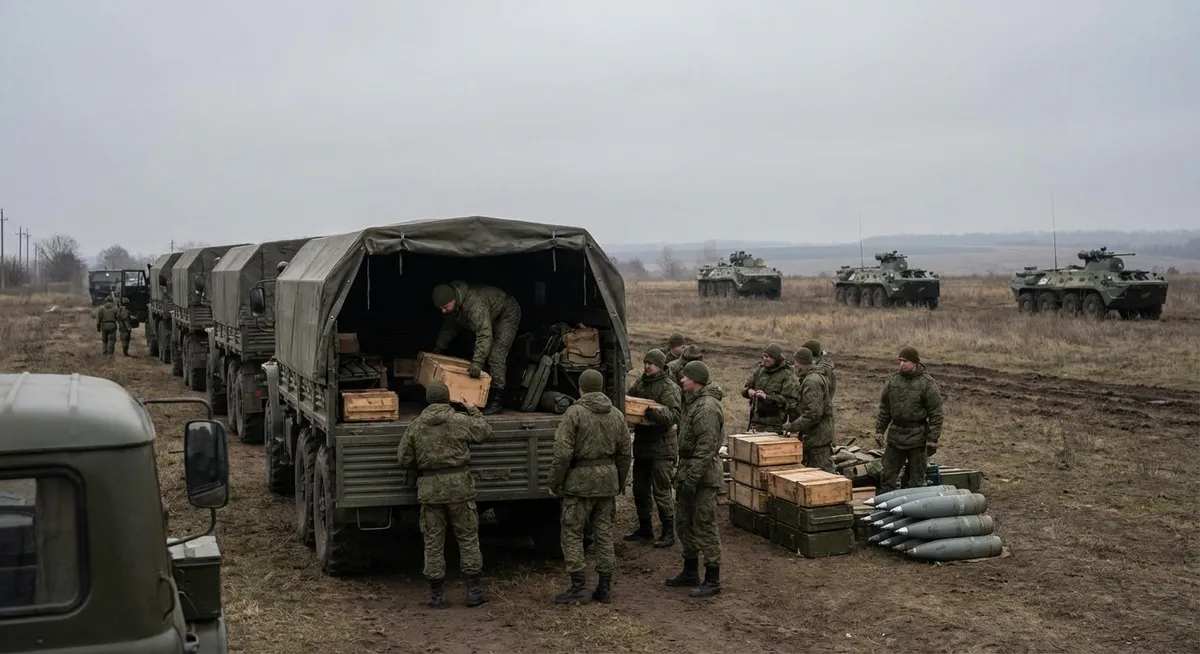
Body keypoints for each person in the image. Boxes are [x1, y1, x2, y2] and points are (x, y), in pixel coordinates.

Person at [396, 381, 493, 608]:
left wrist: (422, 467)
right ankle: (473, 591)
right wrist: (472, 408)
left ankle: (437, 595)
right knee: (468, 537)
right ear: (447, 398)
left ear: (428, 400)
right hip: (460, 487)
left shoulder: (416, 426)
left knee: (433, 540)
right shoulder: (458, 421)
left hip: (430, 489)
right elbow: (484, 431)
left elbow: (404, 458)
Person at [548, 369, 631, 604]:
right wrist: (620, 481)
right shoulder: (616, 415)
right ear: (602, 387)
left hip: (580, 483)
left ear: (581, 388)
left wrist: (555, 482)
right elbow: (625, 453)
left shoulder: (574, 413)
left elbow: (562, 453)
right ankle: (604, 587)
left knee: (572, 533)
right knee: (604, 534)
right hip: (607, 481)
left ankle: (578, 588)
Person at [666, 361, 724, 598]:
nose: (682, 380)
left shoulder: (707, 408)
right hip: (690, 471)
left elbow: (706, 448)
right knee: (683, 521)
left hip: (702, 475)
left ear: (696, 380)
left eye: (686, 377)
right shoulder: (694, 402)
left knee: (704, 523)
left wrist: (691, 479)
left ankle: (713, 579)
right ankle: (690, 571)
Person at [430, 281, 522, 415]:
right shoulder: (454, 308)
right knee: (476, 352)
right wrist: (438, 349)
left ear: (453, 299)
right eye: (440, 308)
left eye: (445, 307)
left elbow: (484, 334)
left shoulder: (474, 305)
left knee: (496, 356)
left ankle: (496, 399)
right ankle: (479, 395)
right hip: (489, 317)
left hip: (506, 314)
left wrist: (477, 363)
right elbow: (448, 329)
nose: (443, 311)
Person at [623, 349, 682, 548]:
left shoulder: (669, 387)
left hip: (662, 448)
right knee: (639, 490)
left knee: (662, 491)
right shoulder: (640, 383)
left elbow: (674, 416)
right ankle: (645, 529)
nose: (647, 366)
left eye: (652, 363)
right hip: (642, 446)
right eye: (646, 362)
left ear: (661, 365)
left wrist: (652, 413)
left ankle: (668, 532)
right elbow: (629, 403)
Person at [874, 346, 944, 492]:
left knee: (916, 479)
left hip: (917, 438)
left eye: (905, 361)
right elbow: (885, 409)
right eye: (900, 361)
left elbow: (936, 413)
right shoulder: (893, 381)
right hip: (895, 436)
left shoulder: (927, 383)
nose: (901, 364)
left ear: (915, 363)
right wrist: (880, 430)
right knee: (887, 475)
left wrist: (933, 438)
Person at [783, 348, 835, 473]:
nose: (795, 368)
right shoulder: (812, 377)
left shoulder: (812, 382)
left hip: (818, 440)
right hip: (815, 437)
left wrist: (791, 426)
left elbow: (813, 414)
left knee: (821, 477)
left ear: (804, 364)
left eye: (796, 365)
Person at [741, 343, 799, 433]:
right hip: (755, 421)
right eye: (764, 356)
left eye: (769, 357)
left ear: (776, 358)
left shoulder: (786, 375)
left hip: (774, 425)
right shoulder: (760, 370)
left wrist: (766, 398)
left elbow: (788, 401)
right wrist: (749, 392)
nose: (765, 359)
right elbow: (745, 389)